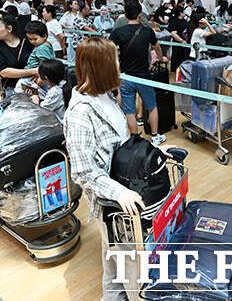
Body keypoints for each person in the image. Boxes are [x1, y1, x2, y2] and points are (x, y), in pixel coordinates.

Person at [63, 36, 176, 300]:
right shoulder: (80, 113)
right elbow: (82, 171)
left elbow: (123, 146)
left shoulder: (106, 97)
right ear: (101, 67)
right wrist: (118, 192)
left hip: (124, 189)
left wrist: (153, 154)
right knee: (128, 263)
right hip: (111, 202)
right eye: (114, 60)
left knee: (114, 257)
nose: (119, 65)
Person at [109, 0, 168, 146]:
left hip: (126, 77)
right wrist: (161, 58)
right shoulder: (148, 32)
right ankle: (155, 136)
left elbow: (108, 50)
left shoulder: (117, 33)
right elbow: (157, 48)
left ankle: (134, 139)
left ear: (125, 15)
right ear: (140, 15)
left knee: (129, 111)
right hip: (144, 77)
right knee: (152, 107)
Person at [0, 13, 37, 96]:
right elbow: (4, 72)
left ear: (9, 28)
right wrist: (33, 71)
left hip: (34, 85)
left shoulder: (27, 41)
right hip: (12, 90)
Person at [168, 6, 190, 71]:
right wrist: (182, 41)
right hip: (177, 45)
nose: (185, 12)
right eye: (184, 11)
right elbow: (173, 33)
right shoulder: (174, 21)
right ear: (180, 13)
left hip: (185, 45)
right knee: (177, 59)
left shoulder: (184, 21)